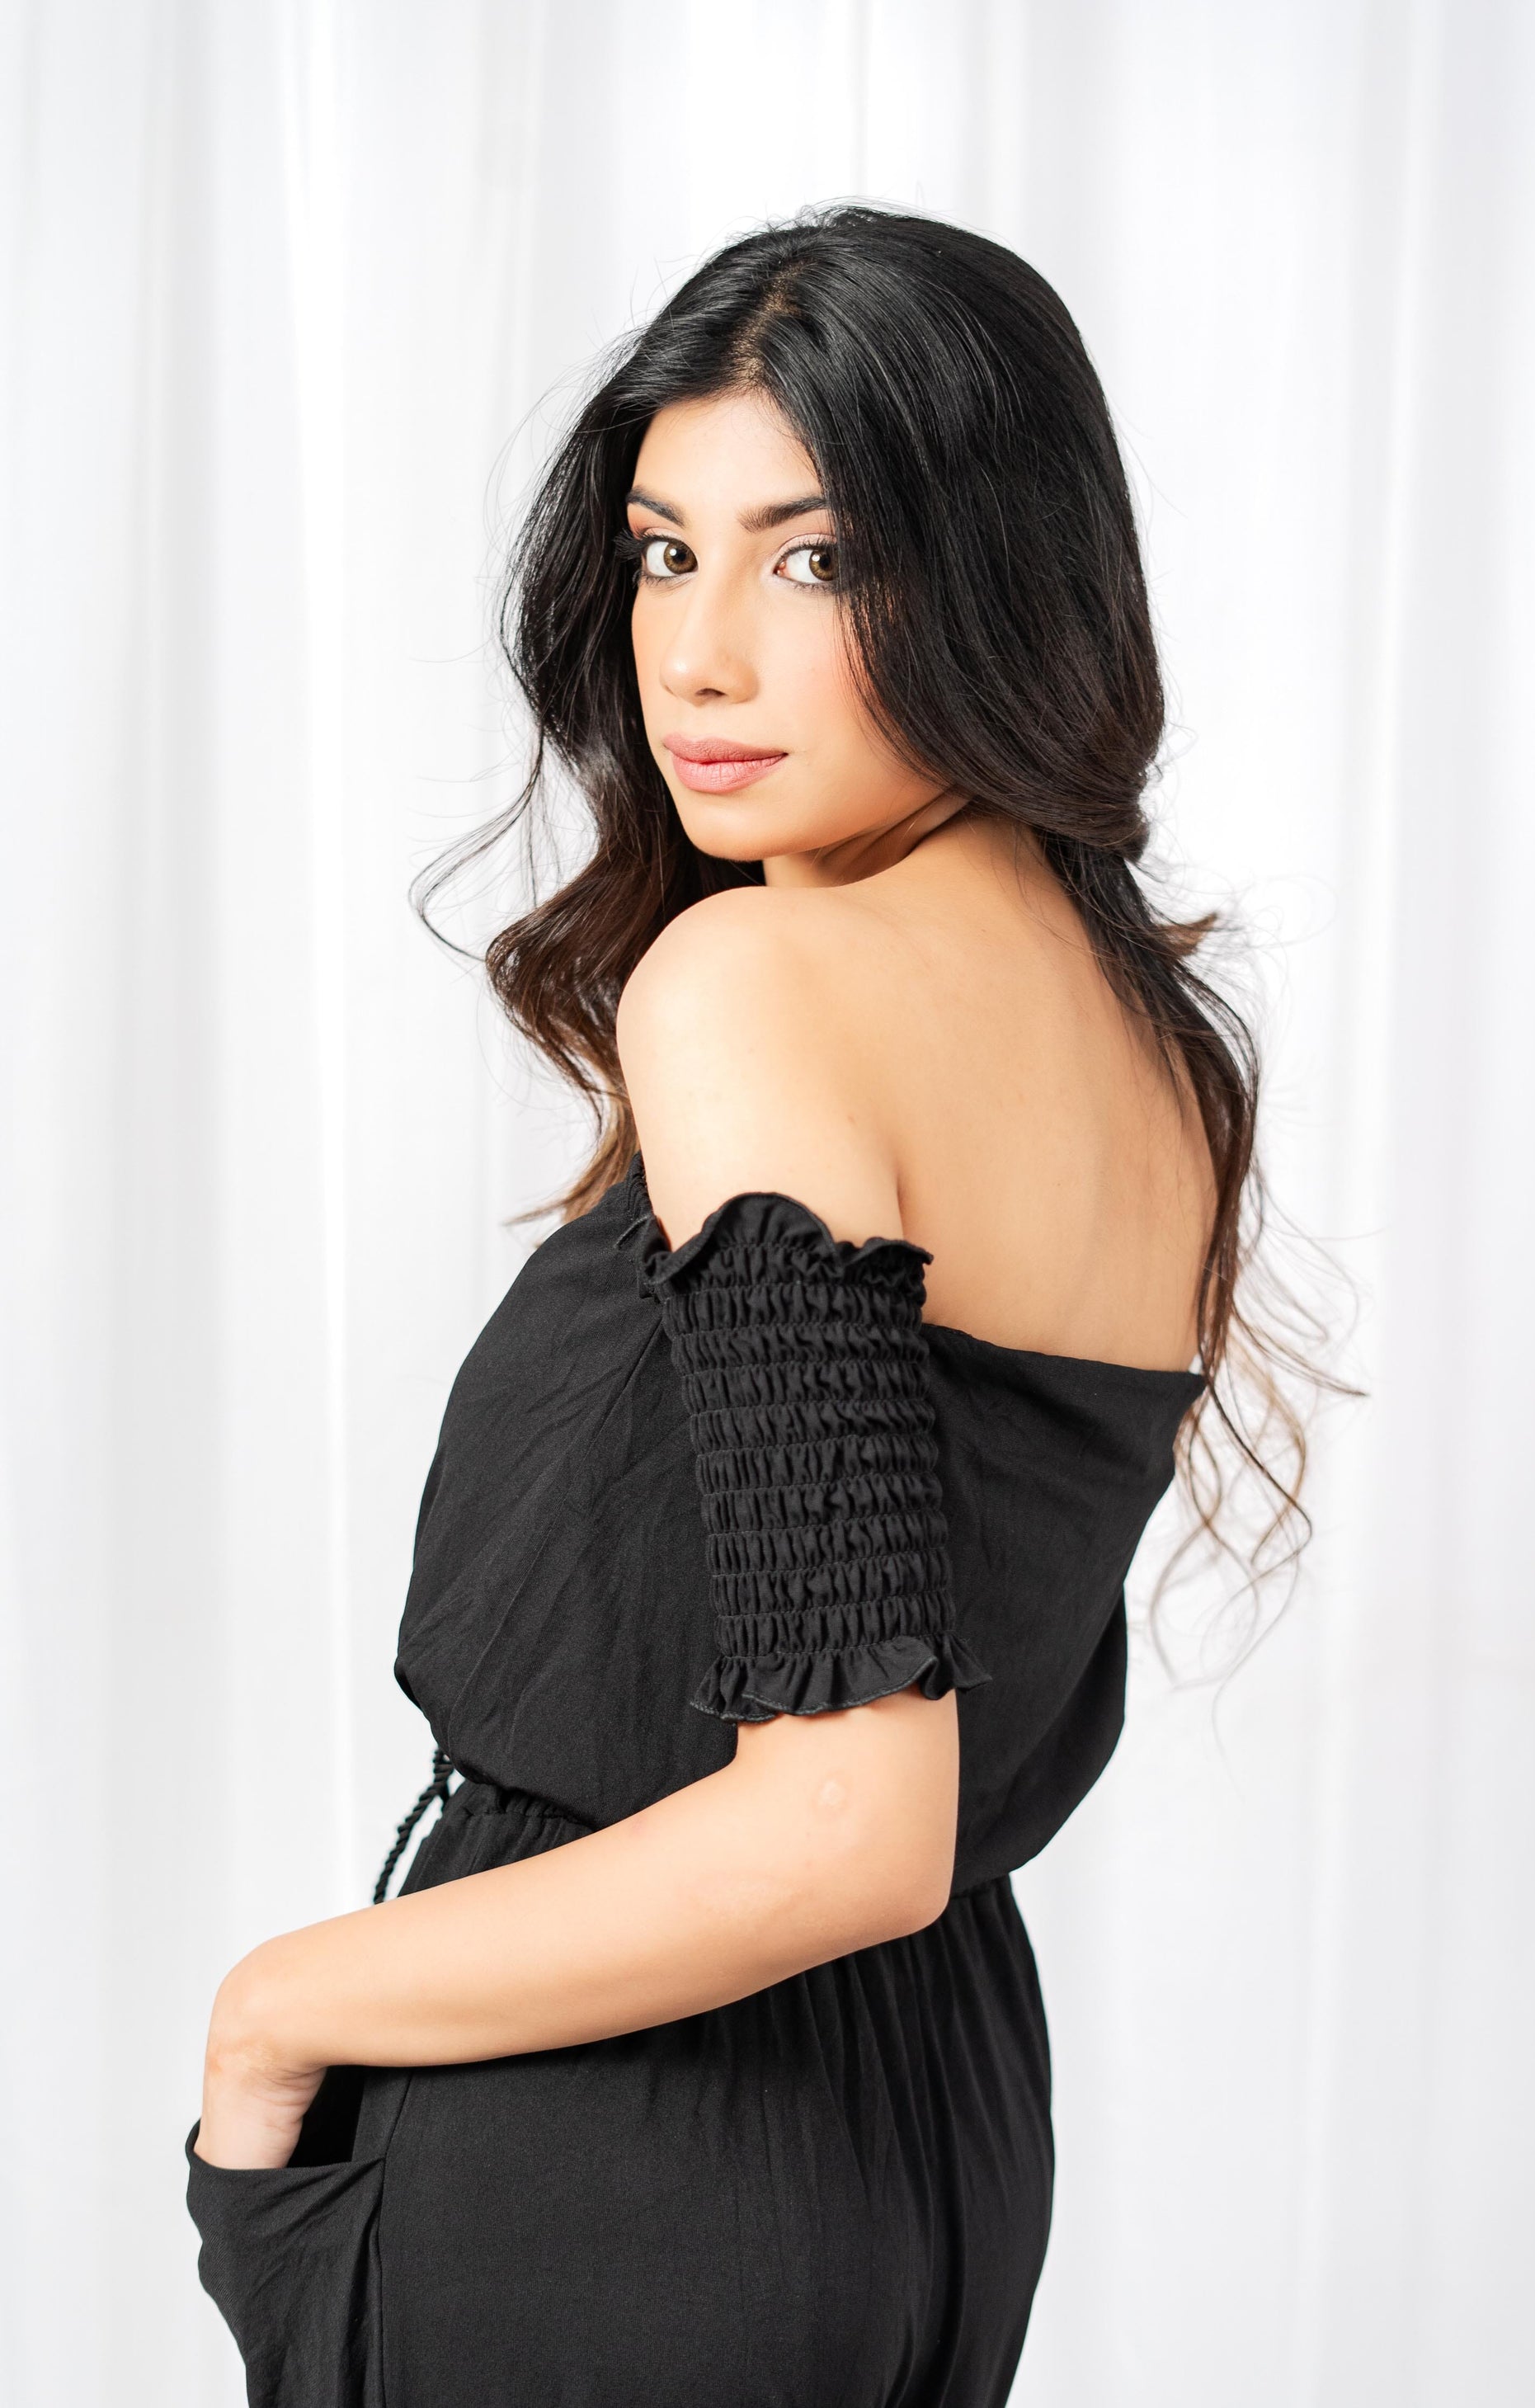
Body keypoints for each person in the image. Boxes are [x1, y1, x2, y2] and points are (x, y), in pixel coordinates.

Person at [186, 204, 1309, 2408]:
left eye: (813, 560)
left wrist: (276, 2010)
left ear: (1003, 576)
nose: (695, 657)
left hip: (632, 2137)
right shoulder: (1155, 1050)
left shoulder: (761, 982)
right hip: (932, 2129)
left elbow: (837, 1823)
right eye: (661, 553)